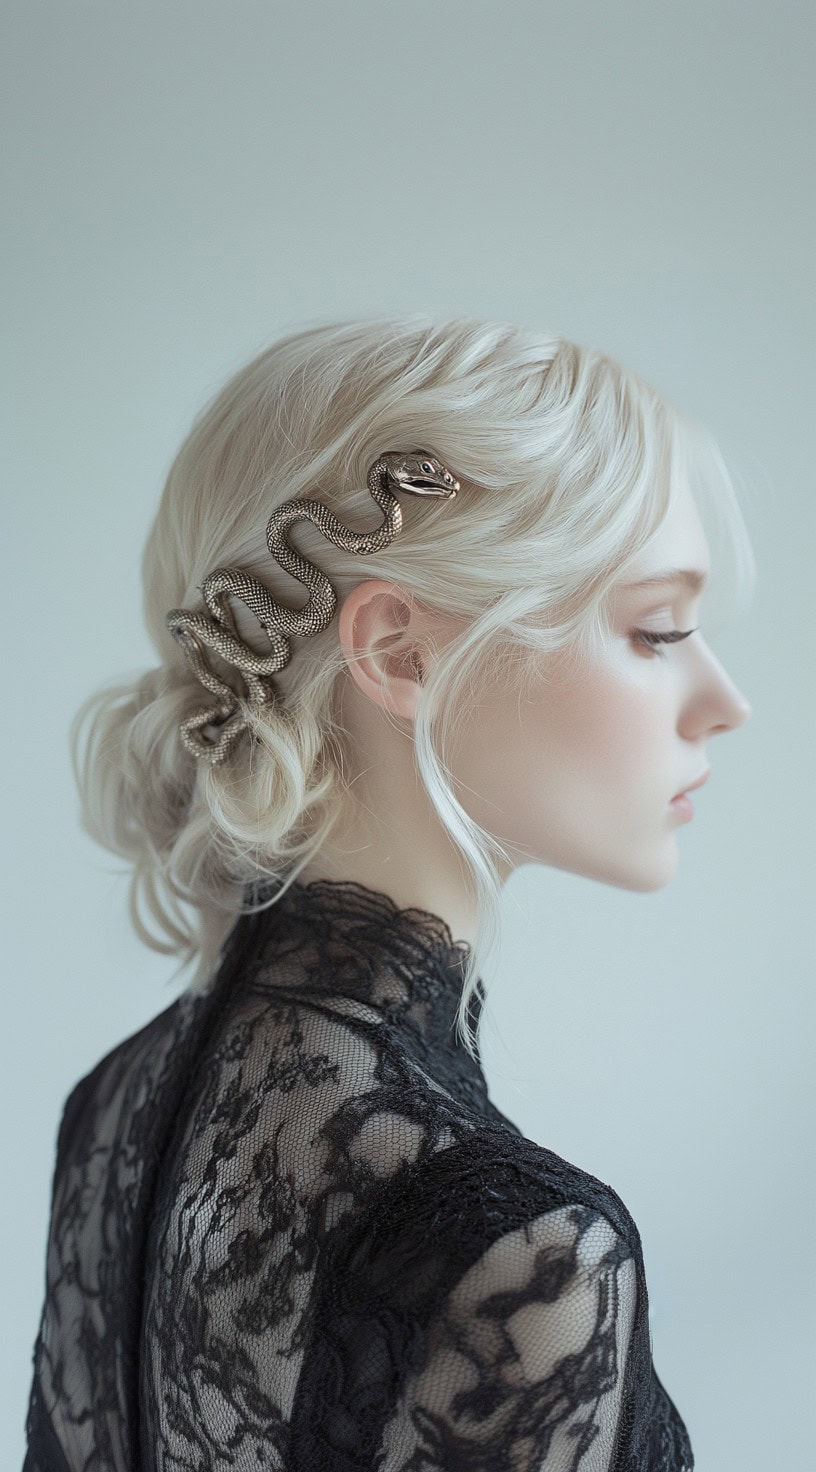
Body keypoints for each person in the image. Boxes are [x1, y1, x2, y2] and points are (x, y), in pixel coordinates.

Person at [23, 314, 753, 1471]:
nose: (725, 699)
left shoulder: (110, 1109)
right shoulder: (528, 1257)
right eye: (657, 628)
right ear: (401, 652)